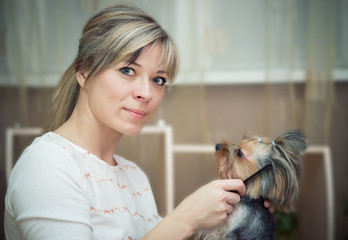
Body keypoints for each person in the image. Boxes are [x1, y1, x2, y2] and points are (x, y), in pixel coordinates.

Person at [5, 3, 258, 240]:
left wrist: (233, 219)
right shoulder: (48, 165)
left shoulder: (133, 176)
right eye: (128, 71)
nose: (146, 94)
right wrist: (185, 218)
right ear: (83, 72)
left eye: (158, 80)